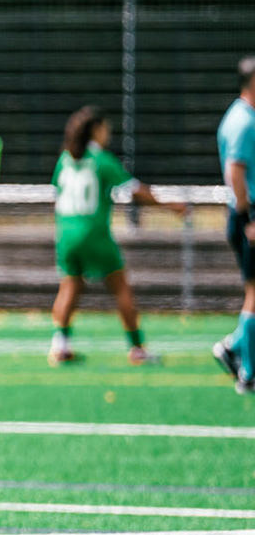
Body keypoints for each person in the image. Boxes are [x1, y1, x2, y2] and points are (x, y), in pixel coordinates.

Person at [47, 105, 186, 367]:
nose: (108, 133)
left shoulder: (65, 159)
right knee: (120, 286)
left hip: (65, 233)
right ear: (96, 130)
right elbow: (135, 190)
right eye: (105, 128)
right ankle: (137, 348)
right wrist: (171, 206)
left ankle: (60, 346)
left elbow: (56, 192)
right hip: (93, 233)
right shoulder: (102, 160)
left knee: (70, 286)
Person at [213, 58, 255, 393]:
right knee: (254, 295)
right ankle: (248, 372)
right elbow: (236, 172)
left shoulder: (242, 116)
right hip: (248, 217)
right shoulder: (243, 121)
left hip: (245, 214)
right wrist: (248, 217)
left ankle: (233, 348)